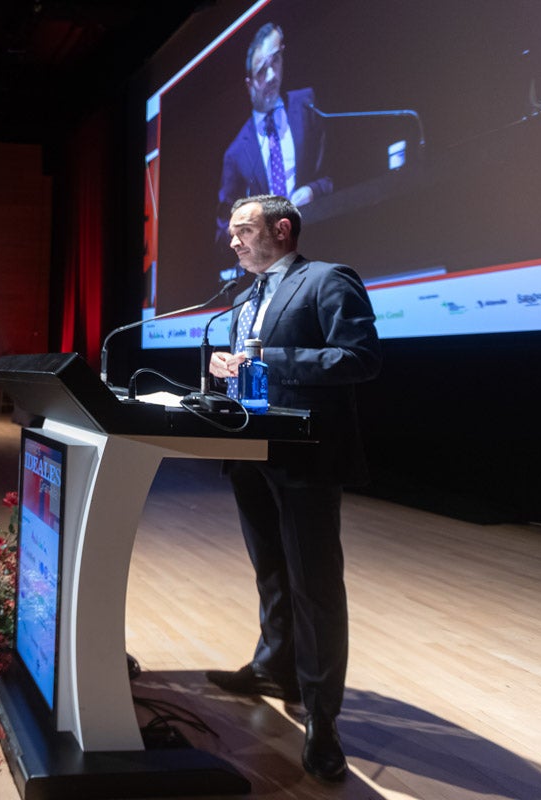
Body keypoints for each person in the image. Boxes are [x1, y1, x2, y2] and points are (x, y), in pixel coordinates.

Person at [207, 194, 381, 782]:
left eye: (244, 230)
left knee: (315, 587)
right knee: (271, 575)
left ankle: (324, 717)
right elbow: (249, 368)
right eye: (231, 232)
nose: (233, 241)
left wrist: (267, 357)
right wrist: (226, 370)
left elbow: (359, 358)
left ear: (282, 230)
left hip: (305, 456)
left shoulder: (327, 280)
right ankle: (272, 667)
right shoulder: (243, 296)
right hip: (251, 454)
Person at [214, 23, 331, 262]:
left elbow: (335, 174)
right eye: (261, 71)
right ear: (249, 85)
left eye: (275, 61)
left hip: (322, 244)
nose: (271, 76)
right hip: (270, 266)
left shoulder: (306, 105)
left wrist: (312, 190)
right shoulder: (236, 154)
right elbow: (223, 230)